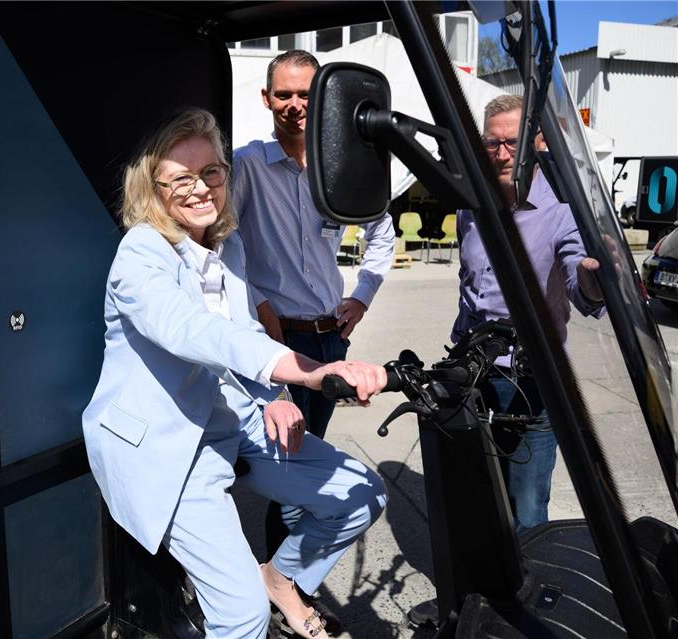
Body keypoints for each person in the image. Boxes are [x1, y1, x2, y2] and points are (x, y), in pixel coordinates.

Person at [82, 108, 389, 639]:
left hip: (234, 418)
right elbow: (195, 332)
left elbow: (242, 324)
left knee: (363, 493)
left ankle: (280, 579)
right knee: (240, 617)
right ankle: (255, 601)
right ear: (152, 187)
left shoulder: (229, 246)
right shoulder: (141, 254)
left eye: (211, 173)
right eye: (181, 178)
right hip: (173, 443)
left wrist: (273, 393)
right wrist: (311, 371)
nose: (200, 189)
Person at [409, 93, 604, 628]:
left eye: (511, 143)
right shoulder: (470, 205)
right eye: (491, 142)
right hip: (472, 375)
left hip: (535, 381)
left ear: (537, 144)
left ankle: (522, 615)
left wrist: (593, 269)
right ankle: (471, 601)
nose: (499, 152)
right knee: (471, 501)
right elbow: (470, 290)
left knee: (527, 506)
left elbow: (580, 282)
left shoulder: (563, 212)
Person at [230, 49, 397, 584]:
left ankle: (286, 583)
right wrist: (257, 304)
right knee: (287, 476)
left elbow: (382, 233)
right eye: (284, 94)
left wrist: (362, 296)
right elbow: (224, 240)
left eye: (307, 94)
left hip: (328, 345)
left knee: (308, 465)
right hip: (274, 345)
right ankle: (283, 590)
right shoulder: (247, 166)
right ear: (266, 99)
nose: (296, 105)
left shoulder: (341, 167)